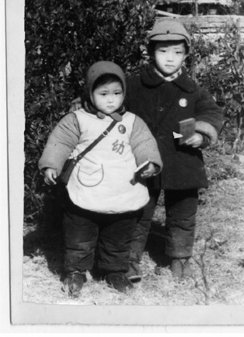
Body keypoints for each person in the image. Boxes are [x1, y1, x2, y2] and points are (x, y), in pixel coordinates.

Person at [71, 19, 223, 281]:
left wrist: (200, 133)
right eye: (163, 51)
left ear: (186, 54)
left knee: (183, 213)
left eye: (177, 52)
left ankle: (180, 257)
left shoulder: (193, 90)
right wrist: (83, 107)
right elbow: (110, 100)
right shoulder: (134, 85)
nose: (170, 58)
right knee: (138, 212)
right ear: (151, 52)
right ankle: (128, 260)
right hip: (142, 161)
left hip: (183, 160)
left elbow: (211, 113)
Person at [38, 61, 163, 297]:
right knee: (79, 234)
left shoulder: (133, 122)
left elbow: (145, 144)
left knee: (118, 235)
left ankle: (114, 270)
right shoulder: (77, 119)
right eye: (103, 93)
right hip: (86, 189)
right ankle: (75, 271)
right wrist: (51, 165)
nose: (110, 99)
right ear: (90, 93)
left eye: (117, 93)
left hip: (122, 190)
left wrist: (150, 164)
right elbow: (61, 141)